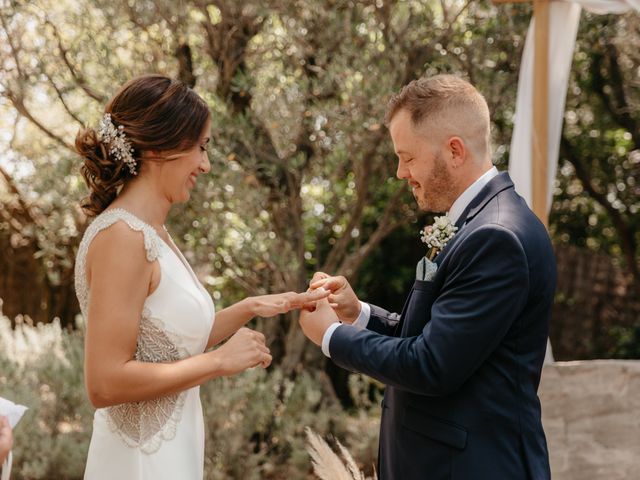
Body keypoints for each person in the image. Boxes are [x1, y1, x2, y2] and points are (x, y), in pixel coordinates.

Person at [299, 74, 555, 479]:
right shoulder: (475, 223)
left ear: (454, 150)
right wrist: (359, 313)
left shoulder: (496, 236)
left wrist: (332, 336)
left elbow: (432, 364)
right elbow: (437, 335)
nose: (401, 172)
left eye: (408, 157)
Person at [74, 74, 328, 480]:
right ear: (161, 146)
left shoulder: (154, 232)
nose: (205, 164)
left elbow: (166, 347)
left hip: (175, 452)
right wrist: (218, 362)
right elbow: (104, 382)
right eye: (201, 147)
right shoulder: (122, 236)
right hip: (139, 462)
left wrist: (250, 308)